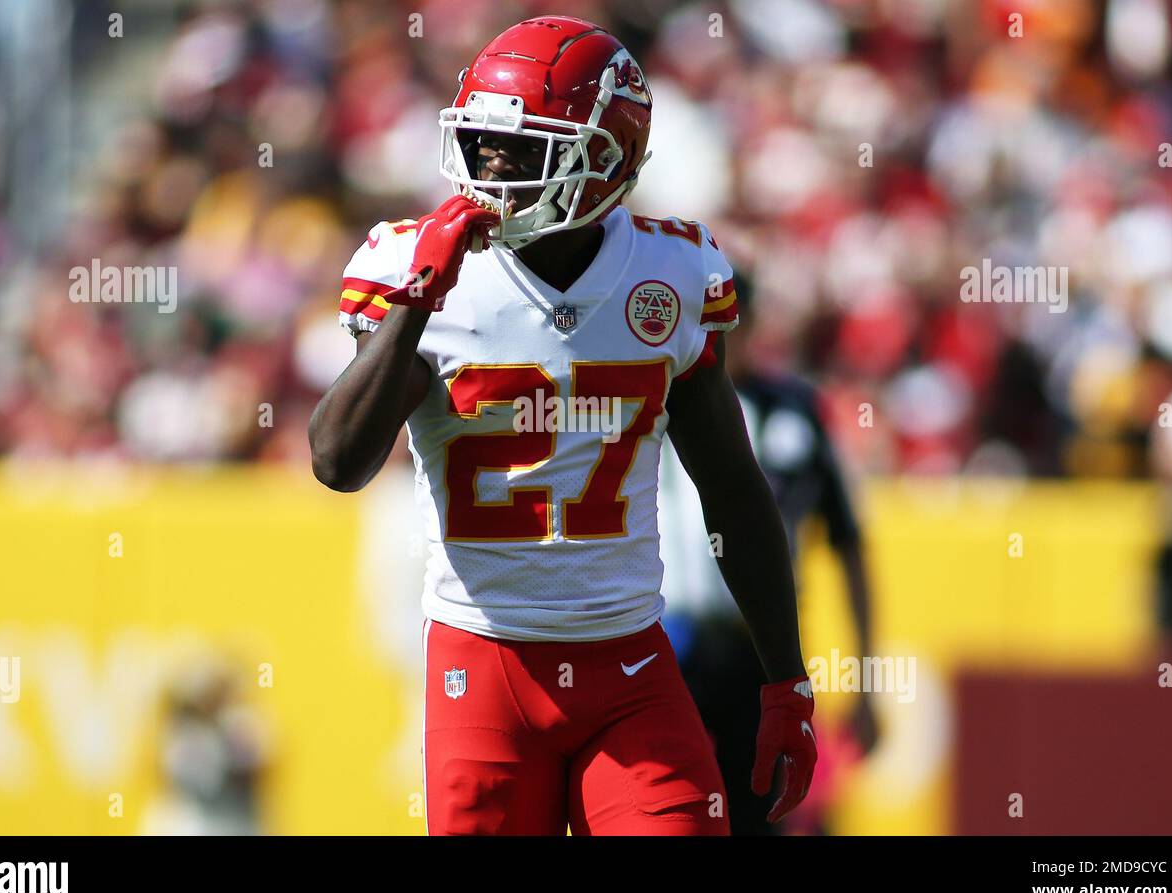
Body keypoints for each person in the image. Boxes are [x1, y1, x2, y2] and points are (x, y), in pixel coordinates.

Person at [309, 16, 815, 835]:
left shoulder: (671, 275)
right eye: (481, 143)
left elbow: (732, 488)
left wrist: (785, 680)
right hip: (482, 668)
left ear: (603, 160)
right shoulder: (416, 272)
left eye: (524, 149)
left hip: (632, 666)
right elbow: (337, 460)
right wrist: (415, 302)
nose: (491, 169)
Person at [659, 274, 879, 835]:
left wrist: (867, 680)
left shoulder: (796, 411)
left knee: (757, 813)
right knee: (661, 808)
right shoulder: (654, 396)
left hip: (757, 646)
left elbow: (848, 542)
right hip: (666, 640)